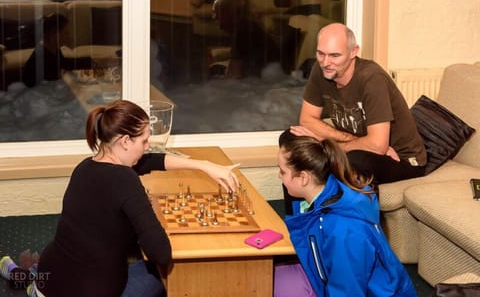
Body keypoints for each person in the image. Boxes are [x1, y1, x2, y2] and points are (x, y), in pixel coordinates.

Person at [0, 99, 240, 297]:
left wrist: (205, 165)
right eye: (144, 141)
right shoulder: (124, 180)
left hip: (51, 276)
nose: (147, 147)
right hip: (89, 290)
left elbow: (151, 161)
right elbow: (161, 254)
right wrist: (154, 215)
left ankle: (26, 277)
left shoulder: (85, 166)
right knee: (159, 276)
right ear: (125, 142)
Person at [275, 129, 417, 296]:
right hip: (330, 278)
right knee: (270, 276)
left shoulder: (344, 231)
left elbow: (348, 291)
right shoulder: (329, 190)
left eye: (282, 171)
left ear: (303, 178)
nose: (279, 176)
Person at [290, 22, 427, 186]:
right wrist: (343, 142)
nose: (326, 62)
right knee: (291, 139)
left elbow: (377, 146)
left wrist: (327, 145)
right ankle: (301, 211)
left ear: (353, 52)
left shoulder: (372, 78)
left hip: (403, 159)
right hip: (368, 148)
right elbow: (307, 120)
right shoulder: (321, 70)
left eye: (334, 56)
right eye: (320, 53)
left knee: (355, 159)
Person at [211, 0, 281, 79]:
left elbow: (235, 74)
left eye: (216, 13)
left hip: (268, 74)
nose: (214, 17)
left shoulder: (242, 32)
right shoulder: (246, 25)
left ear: (229, 13)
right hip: (271, 71)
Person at [21, 13, 92, 88]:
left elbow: (64, 63)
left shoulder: (53, 49)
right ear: (53, 34)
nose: (68, 36)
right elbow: (53, 85)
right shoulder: (42, 58)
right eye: (65, 33)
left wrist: (90, 61)